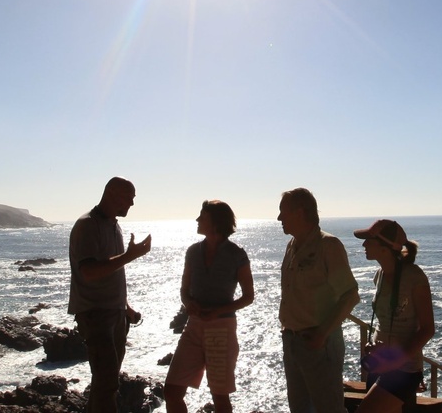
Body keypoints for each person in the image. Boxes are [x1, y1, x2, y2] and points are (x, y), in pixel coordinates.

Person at [68, 176, 152, 413]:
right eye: (129, 197)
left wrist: (126, 307)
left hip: (116, 315)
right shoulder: (87, 225)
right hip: (95, 315)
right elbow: (88, 272)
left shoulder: (115, 226)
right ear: (111, 193)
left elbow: (112, 272)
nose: (132, 203)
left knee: (106, 382)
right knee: (107, 383)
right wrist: (129, 256)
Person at [164, 200, 255, 413]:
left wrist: (217, 311)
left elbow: (248, 297)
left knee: (219, 397)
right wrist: (189, 304)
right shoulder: (192, 252)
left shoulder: (236, 254)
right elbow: (184, 290)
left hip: (222, 329)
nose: (197, 220)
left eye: (202, 217)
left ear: (216, 222)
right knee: (171, 391)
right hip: (194, 327)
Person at [277, 187, 360, 413]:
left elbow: (350, 295)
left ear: (300, 212)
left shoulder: (328, 246)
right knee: (299, 408)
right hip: (292, 340)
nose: (279, 218)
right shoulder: (292, 246)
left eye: (283, 211)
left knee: (328, 408)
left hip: (318, 342)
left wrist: (322, 334)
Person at [352, 219, 435, 413]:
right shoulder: (379, 275)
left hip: (403, 369)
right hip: (380, 364)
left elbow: (427, 329)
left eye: (369, 240)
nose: (364, 245)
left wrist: (396, 359)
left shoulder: (414, 277)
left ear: (385, 247)